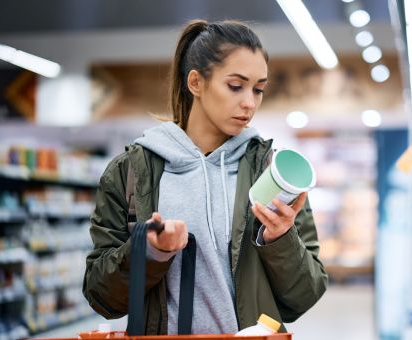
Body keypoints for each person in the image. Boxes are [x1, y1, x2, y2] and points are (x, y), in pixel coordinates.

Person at [82, 19, 328, 335]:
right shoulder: (131, 172)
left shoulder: (271, 173)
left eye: (259, 89)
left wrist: (280, 240)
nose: (249, 103)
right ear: (196, 82)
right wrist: (151, 251)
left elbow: (304, 296)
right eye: (235, 86)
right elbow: (102, 297)